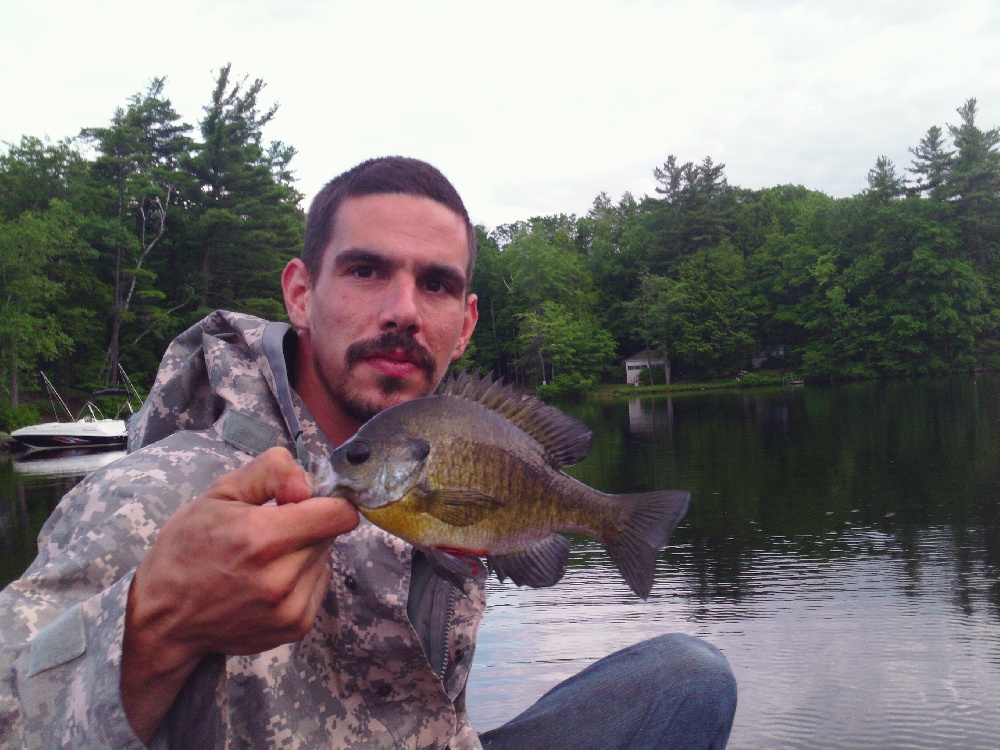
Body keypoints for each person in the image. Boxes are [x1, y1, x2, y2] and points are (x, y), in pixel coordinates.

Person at [0, 156, 737, 749]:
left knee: (688, 676)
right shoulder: (155, 493)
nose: (404, 311)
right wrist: (154, 626)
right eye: (365, 270)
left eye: (437, 284)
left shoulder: (438, 440)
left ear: (466, 324)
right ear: (299, 292)